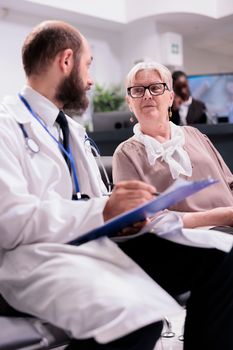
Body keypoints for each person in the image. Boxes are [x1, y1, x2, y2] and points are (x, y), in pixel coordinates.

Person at [0, 22, 233, 350]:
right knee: (133, 317)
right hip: (37, 256)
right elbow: (9, 223)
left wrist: (126, 217)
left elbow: (96, 203)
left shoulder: (71, 130)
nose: (92, 80)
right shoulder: (7, 126)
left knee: (221, 257)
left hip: (98, 242)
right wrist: (104, 210)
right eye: (88, 65)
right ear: (66, 61)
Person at [113, 60, 233, 230]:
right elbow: (141, 220)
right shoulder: (126, 154)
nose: (147, 95)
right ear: (130, 103)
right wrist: (223, 216)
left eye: (155, 88)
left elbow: (230, 183)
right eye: (138, 90)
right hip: (194, 237)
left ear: (170, 98)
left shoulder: (196, 135)